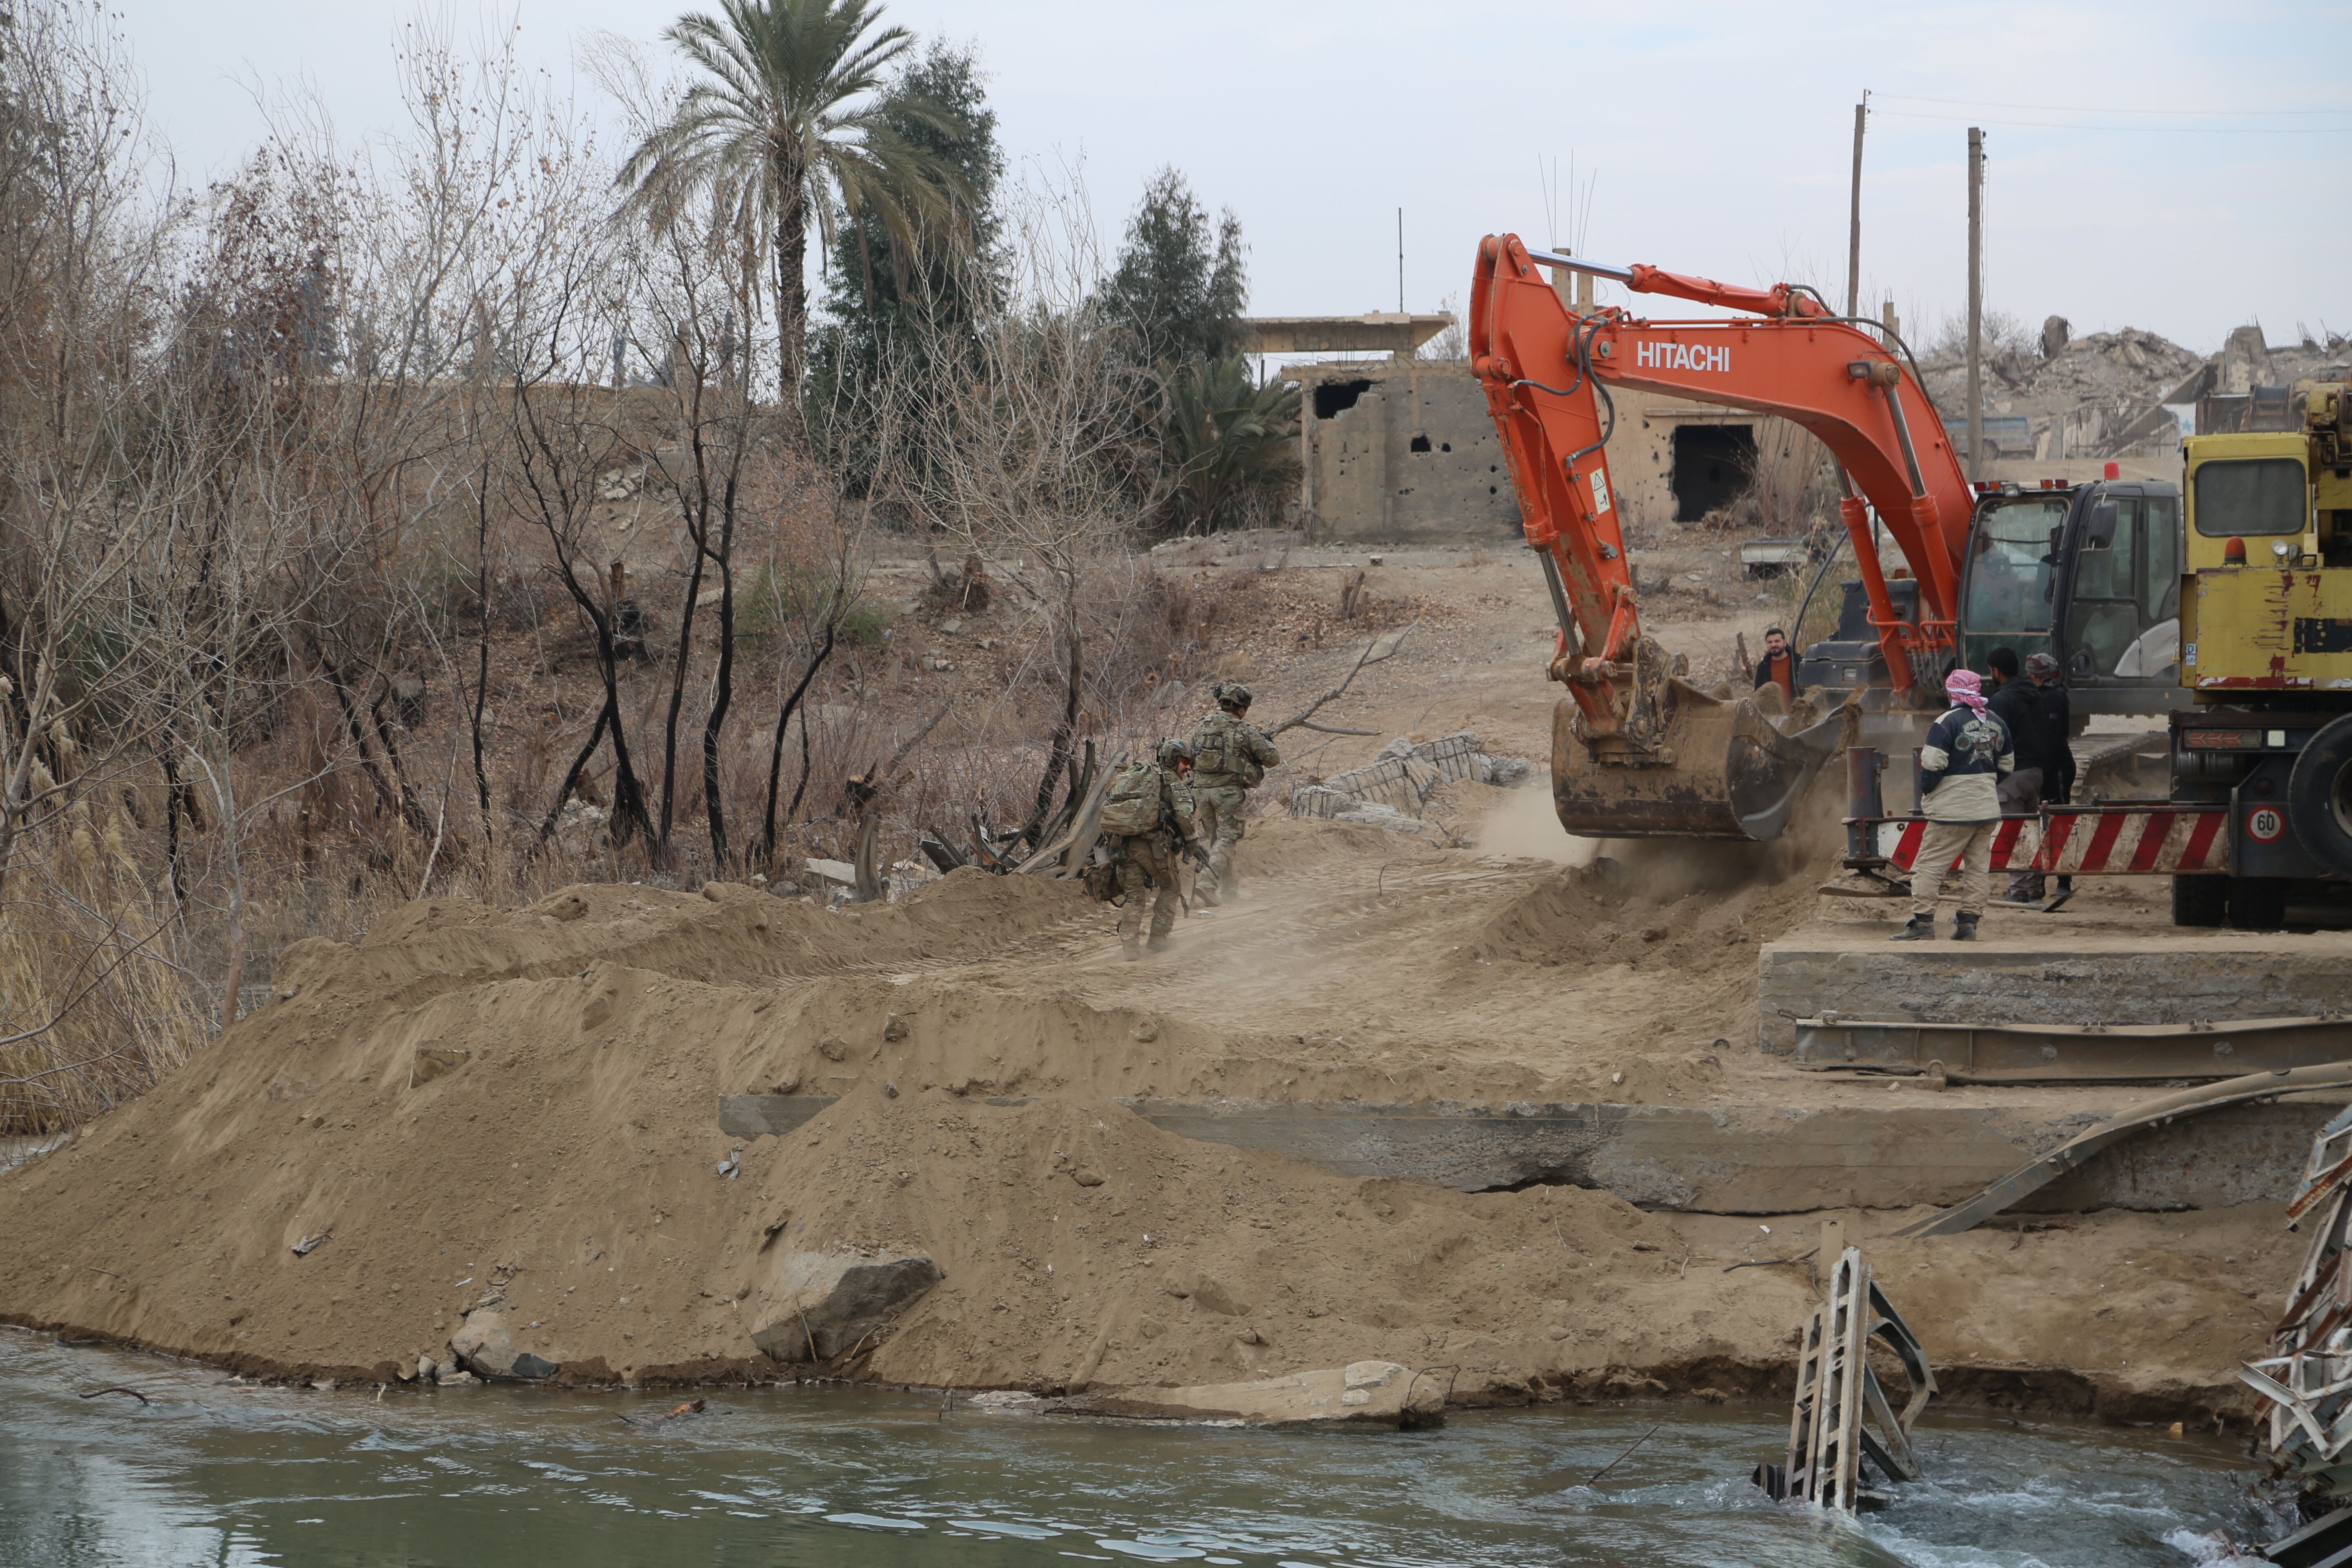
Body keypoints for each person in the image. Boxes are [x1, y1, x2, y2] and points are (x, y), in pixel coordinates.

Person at [1892, 668, 2014, 942]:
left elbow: (1932, 764)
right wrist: (1982, 785)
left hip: (1952, 812)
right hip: (1986, 809)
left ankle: (1923, 923)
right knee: (1978, 869)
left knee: (1930, 867)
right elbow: (2007, 766)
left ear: (1952, 692)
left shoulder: (1946, 722)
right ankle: (1968, 925)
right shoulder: (1996, 722)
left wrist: (1930, 790)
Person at [1101, 739, 1198, 960]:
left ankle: (1130, 947)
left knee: (1134, 896)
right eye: (1185, 761)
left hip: (1125, 844)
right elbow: (1184, 815)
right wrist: (1193, 842)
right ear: (1174, 761)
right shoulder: (1173, 783)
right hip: (1154, 847)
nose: (1188, 767)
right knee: (1171, 888)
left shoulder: (1142, 778)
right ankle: (1158, 939)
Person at [1188, 682, 1280, 905]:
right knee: (1228, 839)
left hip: (1202, 794)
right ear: (1241, 709)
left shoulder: (1201, 727)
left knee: (1218, 841)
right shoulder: (1244, 730)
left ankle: (1229, 890)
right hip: (1227, 795)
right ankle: (1207, 884)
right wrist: (1266, 742)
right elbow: (1273, 759)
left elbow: (1191, 756)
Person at [1984, 646, 2050, 904]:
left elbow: (1994, 740)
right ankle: (2032, 887)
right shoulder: (2035, 694)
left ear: (1996, 672)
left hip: (2012, 776)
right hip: (2035, 773)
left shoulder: (2002, 700)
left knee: (2014, 833)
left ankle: (2019, 890)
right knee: (2031, 831)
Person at [2026, 651, 2075, 898]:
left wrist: (2044, 777)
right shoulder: (2039, 697)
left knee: (2057, 824)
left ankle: (2063, 881)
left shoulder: (2053, 699)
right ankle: (2039, 883)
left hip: (2055, 769)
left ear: (2034, 674)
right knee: (2037, 826)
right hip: (2042, 769)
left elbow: (2054, 741)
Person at [1753, 627, 1800, 702]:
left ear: (1785, 643)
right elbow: (1758, 695)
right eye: (1770, 642)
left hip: (1798, 710)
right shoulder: (1763, 667)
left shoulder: (1798, 662)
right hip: (1774, 712)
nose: (1773, 645)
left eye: (1777, 641)